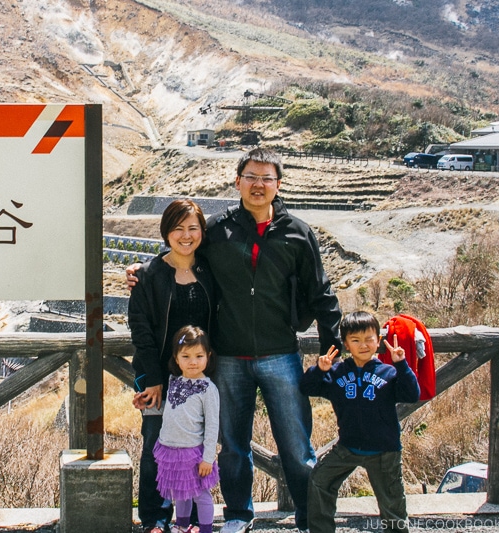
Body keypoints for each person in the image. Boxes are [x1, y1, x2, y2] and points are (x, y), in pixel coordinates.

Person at [129, 148, 342, 533]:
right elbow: (183, 249)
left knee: (296, 446)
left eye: (266, 178)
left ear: (279, 184)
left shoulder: (298, 233)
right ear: (237, 180)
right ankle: (240, 515)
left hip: (281, 354)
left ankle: (312, 519)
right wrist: (144, 271)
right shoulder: (219, 229)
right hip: (227, 356)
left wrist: (335, 348)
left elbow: (321, 293)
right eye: (251, 176)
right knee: (231, 445)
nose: (258, 184)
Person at [129, 199, 216, 533]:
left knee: (194, 449)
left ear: (202, 232)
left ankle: (192, 519)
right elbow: (142, 330)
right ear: (166, 231)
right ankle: (154, 518)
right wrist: (152, 379)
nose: (186, 235)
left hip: (199, 380)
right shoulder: (149, 275)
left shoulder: (209, 271)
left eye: (193, 227)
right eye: (178, 228)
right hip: (159, 379)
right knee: (155, 449)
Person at [300, 311, 420, 533]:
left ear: (378, 341)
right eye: (355, 340)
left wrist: (402, 365)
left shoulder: (389, 372)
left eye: (369, 339)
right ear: (345, 344)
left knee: (392, 502)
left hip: (384, 451)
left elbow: (412, 394)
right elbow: (307, 387)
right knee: (319, 481)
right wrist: (320, 370)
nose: (363, 345)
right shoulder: (337, 373)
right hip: (347, 447)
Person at [154, 326, 220, 533]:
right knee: (180, 492)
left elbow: (212, 425)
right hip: (170, 448)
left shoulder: (208, 389)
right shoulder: (174, 381)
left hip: (193, 451)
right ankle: (181, 525)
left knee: (200, 494)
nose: (193, 362)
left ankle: (206, 528)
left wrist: (208, 457)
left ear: (208, 357)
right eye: (186, 356)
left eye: (199, 356)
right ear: (176, 358)